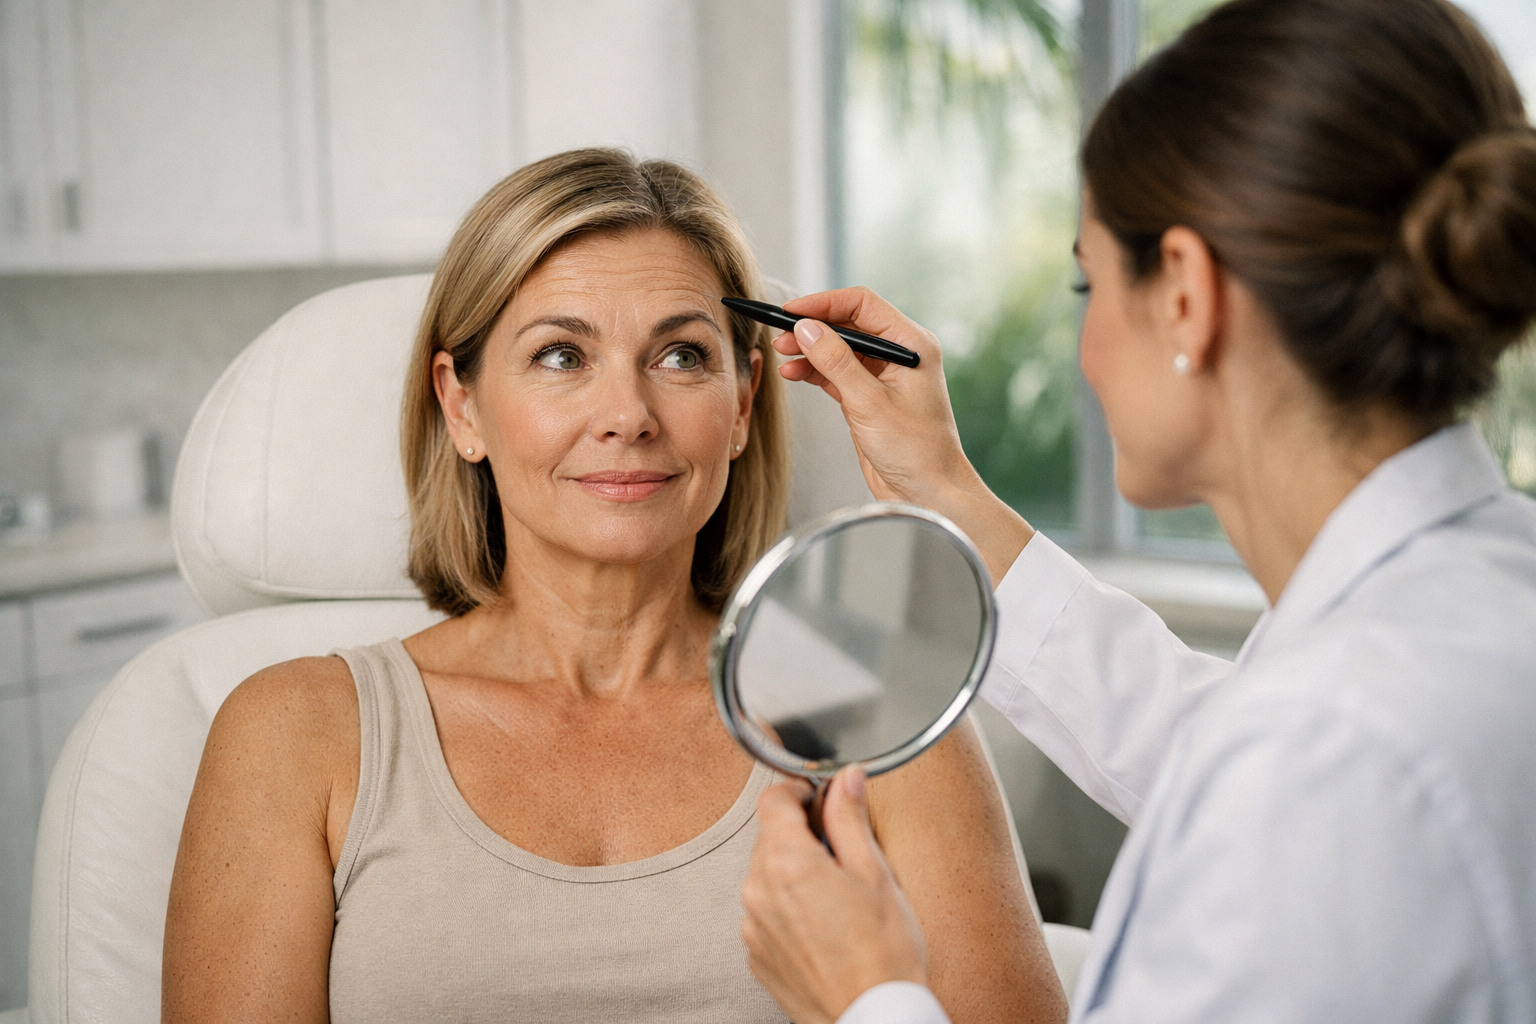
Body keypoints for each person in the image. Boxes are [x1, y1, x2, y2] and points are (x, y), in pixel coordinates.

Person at [738, 0, 1536, 1021]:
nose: (1087, 352)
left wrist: (866, 994)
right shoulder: (1474, 593)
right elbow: (1217, 752)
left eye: (1089, 284)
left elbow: (1287, 782)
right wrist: (945, 490)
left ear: (1187, 298)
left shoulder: (1333, 748)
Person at [161, 149, 1066, 1023]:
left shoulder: (879, 719)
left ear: (744, 404)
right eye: (561, 356)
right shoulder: (293, 734)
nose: (628, 416)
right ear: (461, 404)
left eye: (681, 357)